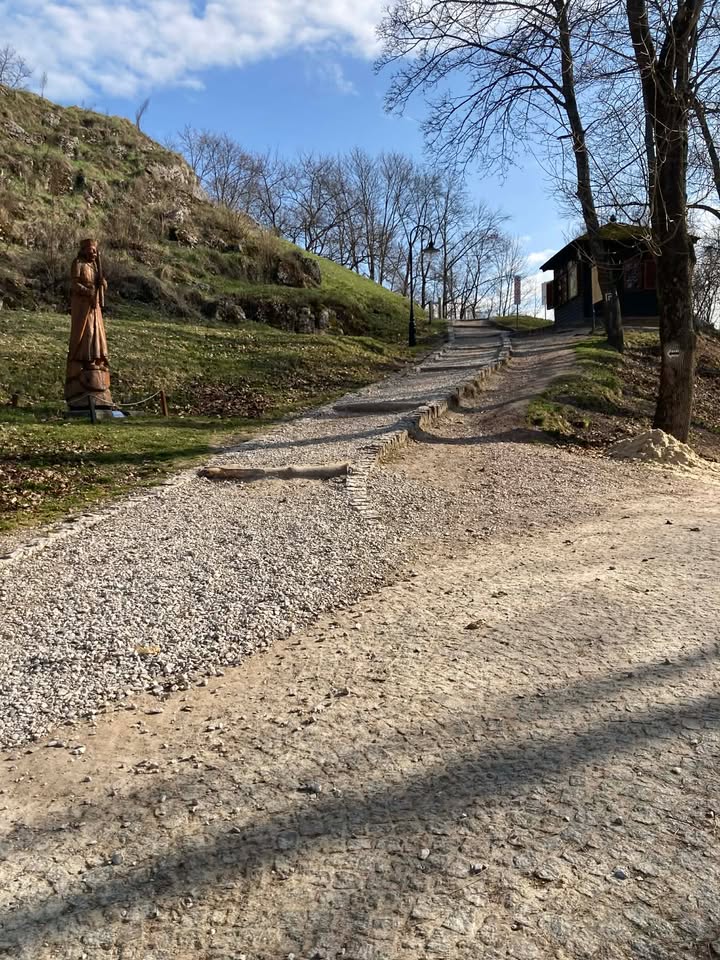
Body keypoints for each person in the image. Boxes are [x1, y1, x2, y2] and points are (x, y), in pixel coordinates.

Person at [65, 238, 114, 409]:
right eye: (90, 250)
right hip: (83, 307)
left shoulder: (95, 266)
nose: (93, 253)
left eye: (95, 250)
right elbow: (75, 284)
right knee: (86, 334)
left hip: (95, 307)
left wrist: (102, 284)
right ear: (84, 250)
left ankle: (96, 358)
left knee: (97, 334)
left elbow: (100, 285)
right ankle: (84, 360)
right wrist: (88, 291)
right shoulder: (78, 263)